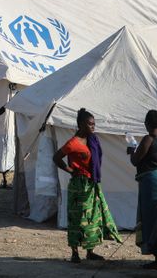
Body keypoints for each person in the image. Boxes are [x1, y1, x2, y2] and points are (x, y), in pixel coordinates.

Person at [53, 108, 121, 263]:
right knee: (77, 218)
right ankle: (74, 253)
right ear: (81, 125)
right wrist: (70, 170)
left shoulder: (93, 140)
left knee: (92, 218)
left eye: (94, 124)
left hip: (92, 183)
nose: (93, 127)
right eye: (90, 124)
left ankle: (90, 251)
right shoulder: (73, 143)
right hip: (79, 186)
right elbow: (56, 157)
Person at [129, 109, 157, 270]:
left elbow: (135, 160)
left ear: (146, 123)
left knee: (151, 219)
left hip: (151, 183)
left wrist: (131, 151)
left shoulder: (148, 139)